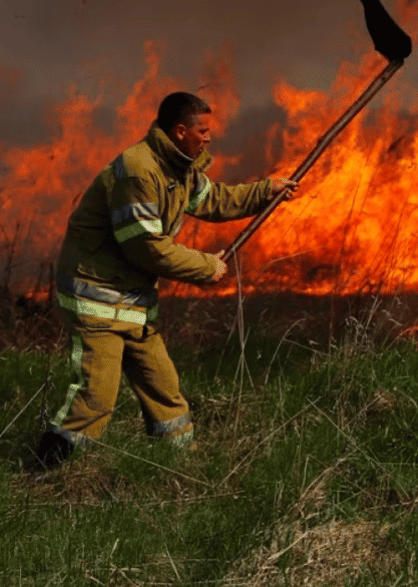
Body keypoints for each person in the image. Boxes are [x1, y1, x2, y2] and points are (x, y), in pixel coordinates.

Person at [34, 91, 297, 469]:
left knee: (165, 391)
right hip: (98, 299)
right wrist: (204, 266)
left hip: (133, 301)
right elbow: (144, 246)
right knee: (95, 399)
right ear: (179, 131)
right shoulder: (139, 171)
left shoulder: (180, 169)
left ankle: (179, 470)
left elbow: (214, 200)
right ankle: (46, 472)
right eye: (203, 131)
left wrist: (264, 191)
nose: (209, 137)